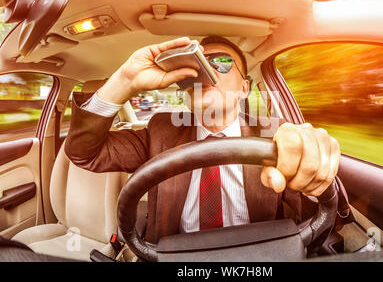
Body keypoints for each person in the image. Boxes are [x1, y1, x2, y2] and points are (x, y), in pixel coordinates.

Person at [65, 36, 341, 243]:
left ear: (244, 88)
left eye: (221, 62)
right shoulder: (161, 130)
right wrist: (125, 81)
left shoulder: (274, 133)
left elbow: (321, 214)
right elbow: (84, 154)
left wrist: (315, 168)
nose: (205, 72)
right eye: (196, 65)